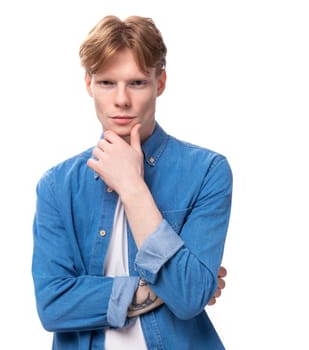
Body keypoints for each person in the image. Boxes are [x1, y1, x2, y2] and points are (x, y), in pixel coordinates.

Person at [31, 15, 233, 349]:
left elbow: (188, 297)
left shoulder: (207, 171)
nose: (121, 100)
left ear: (161, 82)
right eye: (107, 83)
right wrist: (165, 287)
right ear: (88, 84)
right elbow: (52, 305)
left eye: (137, 82)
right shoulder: (57, 186)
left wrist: (132, 187)